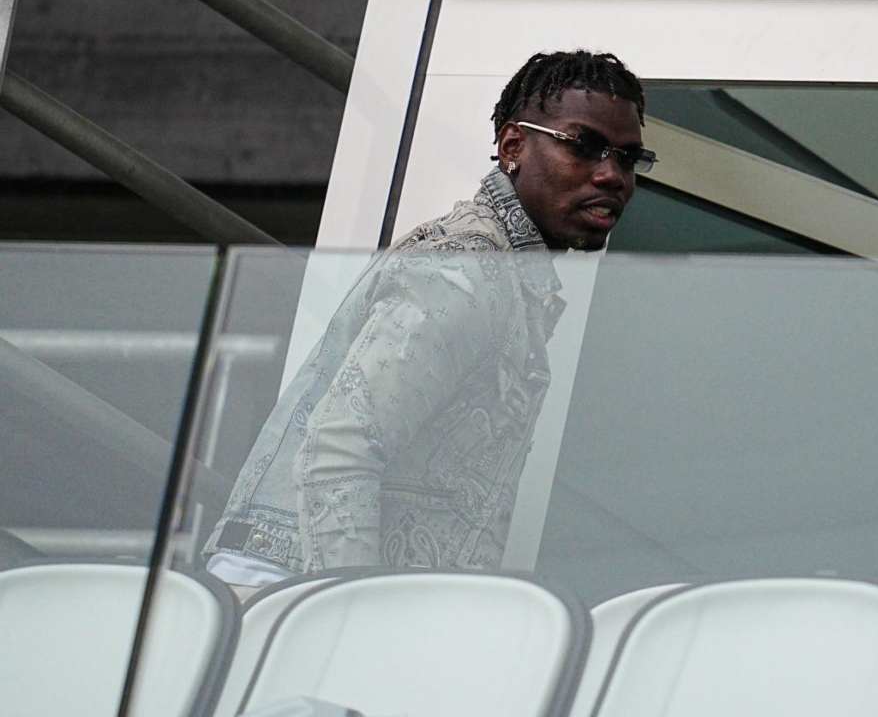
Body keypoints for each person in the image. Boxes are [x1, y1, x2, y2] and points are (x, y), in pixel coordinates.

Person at [203, 50, 656, 593]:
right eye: (584, 146)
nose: (612, 175)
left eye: (630, 159)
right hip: (296, 599)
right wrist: (346, 611)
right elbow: (338, 447)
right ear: (513, 146)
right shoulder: (465, 271)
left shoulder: (507, 276)